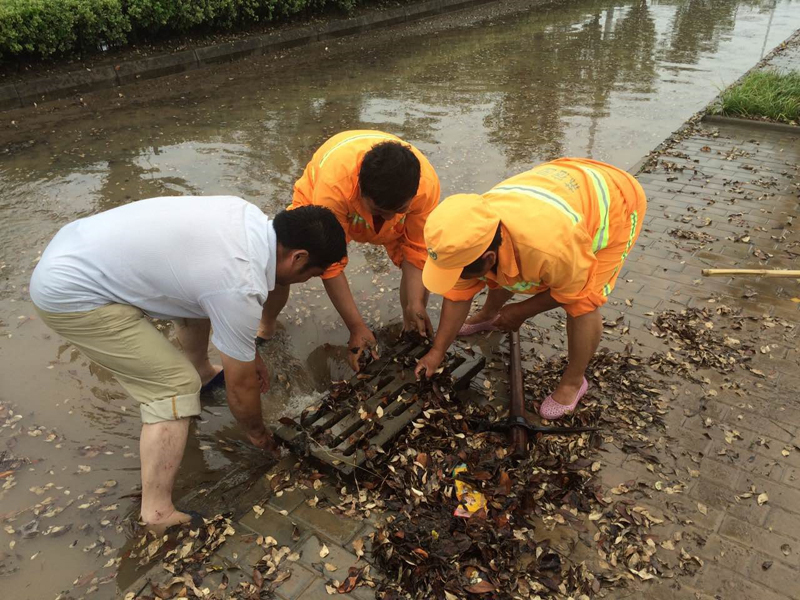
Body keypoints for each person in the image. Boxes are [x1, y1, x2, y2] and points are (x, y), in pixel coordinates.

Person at [29, 196, 346, 530]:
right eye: (312, 275)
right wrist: (259, 435)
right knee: (173, 386)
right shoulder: (240, 283)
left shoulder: (246, 218)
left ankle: (203, 373)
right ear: (298, 257)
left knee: (195, 302)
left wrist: (249, 355)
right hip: (71, 293)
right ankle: (157, 513)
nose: (307, 281)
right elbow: (241, 386)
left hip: (76, 245)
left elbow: (209, 290)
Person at [414, 158, 647, 420]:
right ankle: (488, 315)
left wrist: (521, 311)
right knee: (506, 269)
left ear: (488, 257)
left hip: (617, 203)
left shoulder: (550, 249)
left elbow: (571, 291)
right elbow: (458, 295)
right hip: (564, 181)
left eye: (458, 273)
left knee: (583, 304)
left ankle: (574, 382)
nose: (456, 279)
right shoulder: (467, 232)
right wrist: (437, 352)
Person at [257, 130, 441, 371]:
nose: (388, 218)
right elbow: (331, 265)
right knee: (282, 258)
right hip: (327, 206)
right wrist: (356, 327)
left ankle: (410, 325)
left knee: (417, 280)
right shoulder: (334, 187)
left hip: (384, 203)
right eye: (379, 211)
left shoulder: (425, 187)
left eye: (398, 210)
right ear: (361, 190)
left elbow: (416, 252)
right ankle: (267, 325)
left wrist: (415, 303)